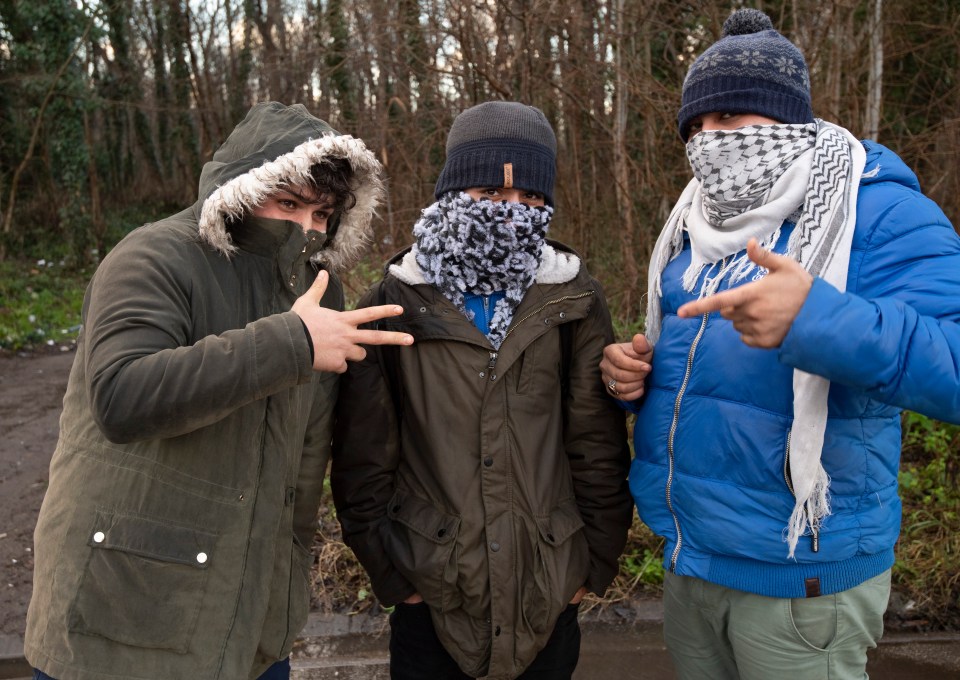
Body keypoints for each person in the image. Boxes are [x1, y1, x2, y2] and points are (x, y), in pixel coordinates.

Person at [600, 8, 960, 680]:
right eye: (696, 126)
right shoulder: (696, 219)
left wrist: (817, 320)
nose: (710, 141)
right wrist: (631, 375)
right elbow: (699, 365)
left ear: (787, 118)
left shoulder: (875, 209)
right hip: (692, 558)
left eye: (730, 119)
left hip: (802, 578)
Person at [24, 101, 413, 680]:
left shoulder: (320, 293)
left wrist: (284, 586)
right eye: (287, 204)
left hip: (251, 621)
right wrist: (291, 345)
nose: (304, 227)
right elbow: (121, 396)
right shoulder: (154, 256)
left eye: (320, 213)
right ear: (240, 189)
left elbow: (304, 464)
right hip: (121, 615)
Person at [331, 101, 634, 680]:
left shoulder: (572, 299)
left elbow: (595, 443)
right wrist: (394, 579)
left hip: (549, 582)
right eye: (491, 195)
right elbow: (362, 458)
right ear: (452, 192)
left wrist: (594, 565)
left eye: (530, 200)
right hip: (432, 591)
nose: (512, 213)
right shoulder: (391, 303)